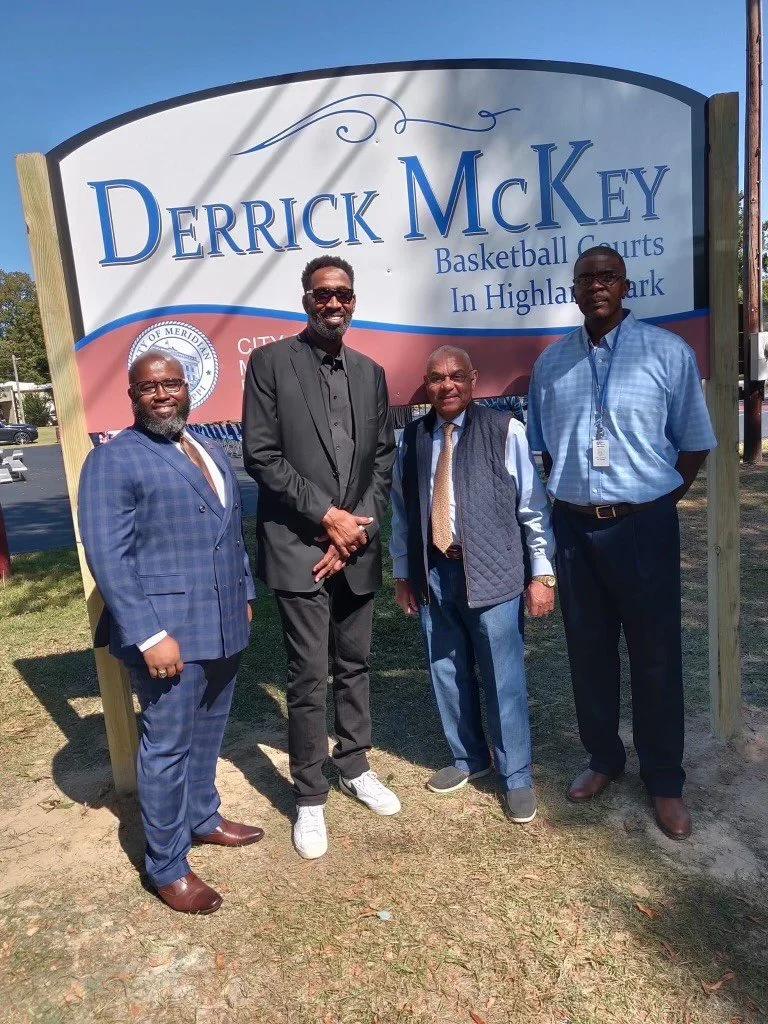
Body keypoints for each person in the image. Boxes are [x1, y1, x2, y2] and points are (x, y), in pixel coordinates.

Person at [527, 246, 716, 840]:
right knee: (588, 651)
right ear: (574, 290)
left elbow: (695, 442)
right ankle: (604, 758)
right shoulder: (551, 364)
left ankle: (664, 779)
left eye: (608, 276)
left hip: (643, 527)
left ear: (625, 285)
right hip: (575, 529)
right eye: (587, 278)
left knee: (655, 654)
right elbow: (544, 449)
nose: (597, 285)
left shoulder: (667, 353)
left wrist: (658, 503)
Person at [78, 351, 262, 915]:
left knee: (208, 734)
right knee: (167, 748)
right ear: (132, 396)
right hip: (167, 634)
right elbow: (109, 558)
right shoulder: (112, 460)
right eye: (148, 387)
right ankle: (167, 865)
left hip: (223, 622)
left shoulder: (207, 447)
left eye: (171, 384)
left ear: (188, 388)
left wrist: (245, 594)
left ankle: (203, 817)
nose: (162, 394)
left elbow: (230, 530)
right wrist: (149, 634)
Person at [242, 255, 399, 860]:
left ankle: (354, 764)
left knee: (355, 664)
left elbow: (381, 457)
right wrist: (327, 518)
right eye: (322, 294)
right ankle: (309, 795)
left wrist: (352, 528)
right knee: (308, 675)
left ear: (353, 300)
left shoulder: (370, 371)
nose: (333, 303)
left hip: (354, 543)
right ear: (305, 299)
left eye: (343, 294)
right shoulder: (270, 364)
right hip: (298, 546)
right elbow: (262, 455)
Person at [390, 346, 556, 823]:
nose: (446, 385)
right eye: (436, 378)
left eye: (456, 376)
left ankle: (516, 775)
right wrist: (403, 573)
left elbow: (533, 508)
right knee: (446, 668)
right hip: (435, 573)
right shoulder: (412, 439)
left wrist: (542, 573)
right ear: (426, 384)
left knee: (503, 676)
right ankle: (469, 757)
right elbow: (402, 511)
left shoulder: (506, 430)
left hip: (494, 571)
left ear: (473, 379)